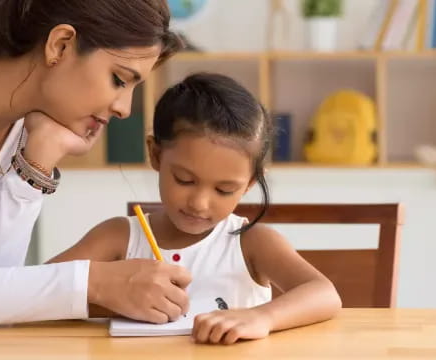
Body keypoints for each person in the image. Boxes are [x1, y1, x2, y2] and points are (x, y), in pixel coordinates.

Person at [50, 73, 342, 345]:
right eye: (185, 180)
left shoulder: (251, 242)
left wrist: (262, 317)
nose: (199, 203)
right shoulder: (118, 237)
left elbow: (324, 294)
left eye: (224, 190)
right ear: (155, 155)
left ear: (250, 183)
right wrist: (105, 296)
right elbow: (38, 290)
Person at [0, 0, 192, 325]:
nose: (124, 109)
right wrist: (95, 284)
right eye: (119, 79)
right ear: (61, 45)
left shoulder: (26, 129)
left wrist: (36, 163)